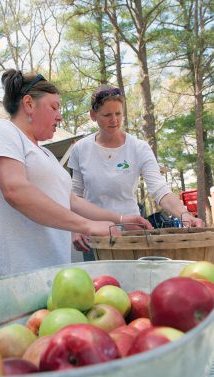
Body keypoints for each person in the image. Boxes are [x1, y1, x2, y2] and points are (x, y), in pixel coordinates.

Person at [0, 70, 152, 282]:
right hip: (9, 276)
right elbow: (15, 190)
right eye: (54, 107)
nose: (60, 116)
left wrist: (119, 219)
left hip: (49, 276)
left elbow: (70, 200)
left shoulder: (45, 154)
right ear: (29, 104)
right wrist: (87, 225)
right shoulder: (0, 130)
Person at [68, 85, 204, 260]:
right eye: (107, 115)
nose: (114, 120)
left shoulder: (139, 148)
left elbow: (160, 189)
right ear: (93, 116)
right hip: (94, 234)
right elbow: (75, 195)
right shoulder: (80, 149)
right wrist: (75, 228)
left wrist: (184, 213)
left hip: (131, 233)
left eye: (118, 114)